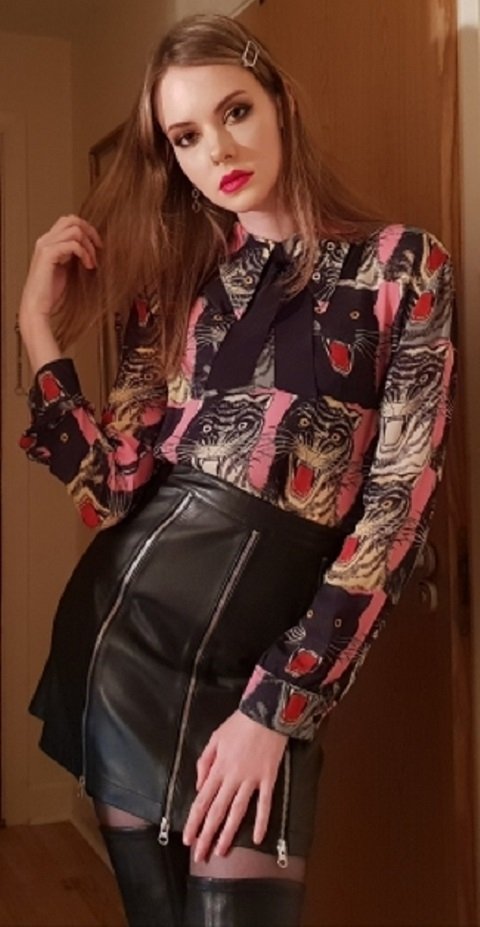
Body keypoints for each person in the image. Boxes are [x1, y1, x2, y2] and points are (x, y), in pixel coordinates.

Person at [18, 12, 456, 927]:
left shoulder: (402, 268)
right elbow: (111, 488)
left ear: (280, 103)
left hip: (265, 665)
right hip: (125, 650)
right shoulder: (175, 290)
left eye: (235, 111)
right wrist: (36, 329)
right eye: (185, 136)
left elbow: (394, 509)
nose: (216, 149)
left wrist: (275, 710)